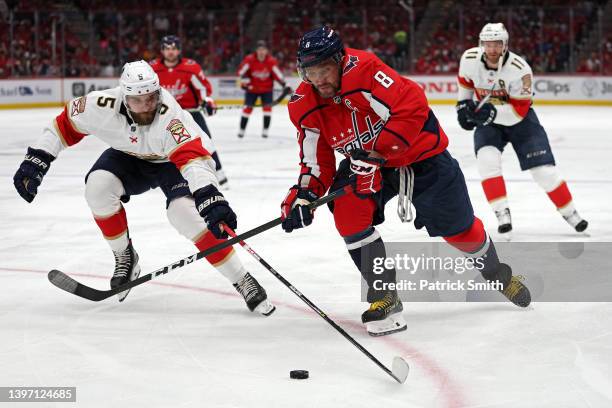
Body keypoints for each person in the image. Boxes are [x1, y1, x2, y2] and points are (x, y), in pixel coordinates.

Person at [280, 26, 531, 337]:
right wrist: (304, 195)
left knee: (461, 230)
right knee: (347, 212)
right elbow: (316, 160)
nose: (319, 80)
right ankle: (384, 293)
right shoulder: (303, 103)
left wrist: (378, 154)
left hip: (420, 155)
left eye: (325, 69)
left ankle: (496, 272)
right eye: (310, 72)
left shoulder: (366, 71)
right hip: (366, 164)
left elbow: (412, 106)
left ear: (341, 60)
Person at [12, 60, 275, 315]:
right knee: (97, 188)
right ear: (124, 97)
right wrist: (36, 161)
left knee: (184, 214)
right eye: (137, 100)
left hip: (170, 161)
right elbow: (62, 125)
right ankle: (125, 257)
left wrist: (209, 197)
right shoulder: (101, 104)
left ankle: (242, 279)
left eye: (151, 96)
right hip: (129, 157)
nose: (146, 105)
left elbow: (193, 159)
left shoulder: (170, 117)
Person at [456, 23, 588, 239]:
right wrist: (462, 107)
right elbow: (466, 89)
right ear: (481, 44)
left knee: (543, 172)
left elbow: (518, 112)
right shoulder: (469, 59)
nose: (491, 50)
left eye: (496, 44)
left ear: (505, 45)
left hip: (520, 121)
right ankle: (502, 214)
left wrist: (489, 115)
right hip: (489, 117)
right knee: (486, 161)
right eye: (487, 44)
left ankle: (570, 213)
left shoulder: (520, 69)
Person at [150, 35, 228, 188]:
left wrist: (207, 101)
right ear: (162, 50)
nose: (170, 52)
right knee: (160, 146)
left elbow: (203, 88)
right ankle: (160, 178)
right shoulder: (153, 68)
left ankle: (218, 172)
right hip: (165, 115)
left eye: (173, 49)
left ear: (179, 50)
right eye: (167, 49)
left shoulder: (190, 67)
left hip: (190, 113)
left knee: (205, 142)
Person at [236, 40, 290, 138]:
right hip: (252, 90)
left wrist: (285, 84)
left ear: (267, 51)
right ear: (256, 51)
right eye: (259, 49)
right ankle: (241, 130)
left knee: (267, 110)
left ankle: (265, 131)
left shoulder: (271, 61)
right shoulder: (249, 60)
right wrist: (244, 81)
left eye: (263, 50)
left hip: (267, 90)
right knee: (247, 110)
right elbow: (240, 72)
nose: (261, 52)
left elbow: (277, 75)